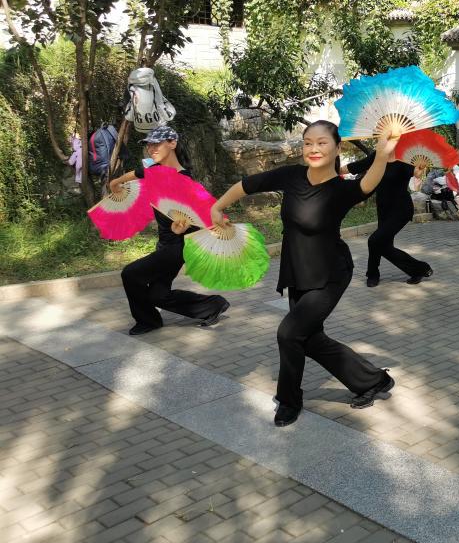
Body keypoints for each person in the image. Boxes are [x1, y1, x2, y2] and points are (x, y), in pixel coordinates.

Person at [209, 121, 397, 427]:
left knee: (289, 333)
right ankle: (373, 380)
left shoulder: (340, 190)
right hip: (297, 271)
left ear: (337, 147)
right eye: (308, 142)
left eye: (322, 143)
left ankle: (289, 400)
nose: (313, 148)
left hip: (330, 274)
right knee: (308, 339)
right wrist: (218, 207)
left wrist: (381, 154)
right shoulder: (292, 176)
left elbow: (366, 185)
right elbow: (248, 184)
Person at [110, 125, 229, 336]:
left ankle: (147, 321)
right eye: (149, 145)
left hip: (178, 246)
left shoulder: (184, 179)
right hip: (164, 243)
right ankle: (212, 305)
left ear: (172, 143)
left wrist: (181, 227)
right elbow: (137, 173)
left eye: (157, 144)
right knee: (158, 295)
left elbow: (198, 215)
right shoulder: (153, 170)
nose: (151, 148)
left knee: (130, 273)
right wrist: (117, 182)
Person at [341, 142, 431, 287]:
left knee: (374, 241)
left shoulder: (404, 158)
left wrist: (420, 169)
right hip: (383, 208)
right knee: (383, 244)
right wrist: (333, 170)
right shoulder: (378, 156)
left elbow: (416, 172)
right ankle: (410, 271)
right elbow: (357, 166)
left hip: (401, 209)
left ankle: (376, 273)